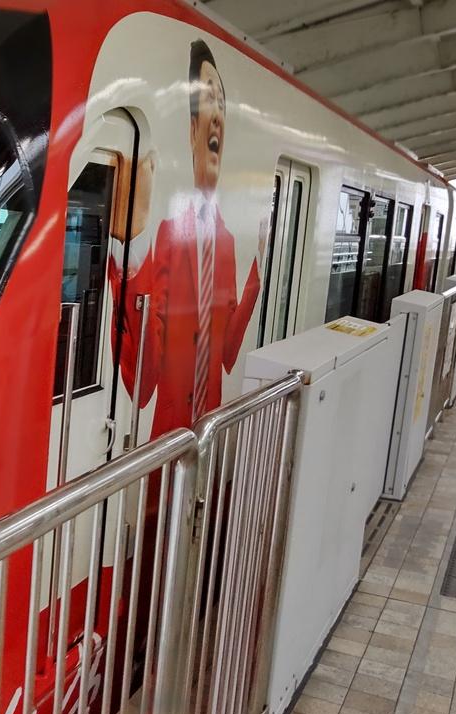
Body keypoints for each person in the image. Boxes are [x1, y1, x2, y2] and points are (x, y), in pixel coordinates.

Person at [108, 39, 267, 439]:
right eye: (209, 101)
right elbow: (141, 385)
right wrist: (130, 247)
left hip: (209, 435)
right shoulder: (164, 235)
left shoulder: (227, 242)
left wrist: (258, 270)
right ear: (193, 129)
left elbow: (227, 353)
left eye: (222, 106)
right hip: (167, 441)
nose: (218, 119)